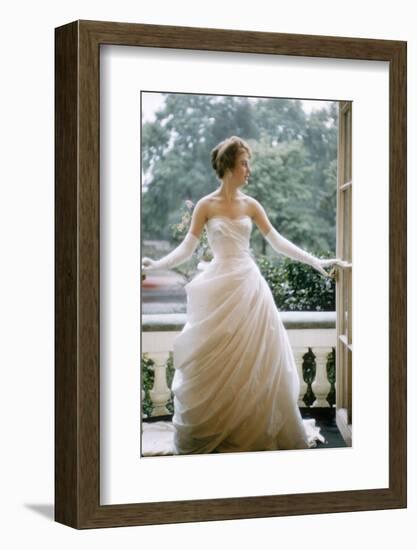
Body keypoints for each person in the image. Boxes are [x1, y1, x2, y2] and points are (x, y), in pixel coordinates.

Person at [142, 136, 341, 454]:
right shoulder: (206, 206)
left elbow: (277, 241)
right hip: (219, 289)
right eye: (245, 163)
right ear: (229, 166)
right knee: (216, 362)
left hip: (250, 290)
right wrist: (154, 266)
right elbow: (187, 248)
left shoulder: (251, 205)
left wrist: (316, 261)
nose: (249, 169)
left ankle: (253, 428)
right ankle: (220, 428)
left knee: (257, 361)